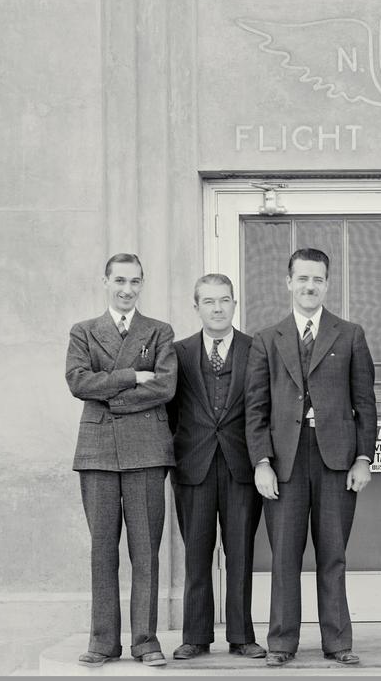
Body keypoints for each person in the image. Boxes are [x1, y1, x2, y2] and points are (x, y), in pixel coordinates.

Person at [244, 248, 378, 667]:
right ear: (288, 282)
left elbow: (365, 403)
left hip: (335, 459)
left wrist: (362, 458)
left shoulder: (349, 333)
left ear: (327, 283)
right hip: (283, 462)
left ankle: (338, 642)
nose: (309, 286)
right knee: (284, 554)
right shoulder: (268, 338)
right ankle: (282, 643)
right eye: (302, 278)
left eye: (317, 279)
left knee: (333, 553)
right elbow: (256, 408)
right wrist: (261, 462)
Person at [65, 253, 177, 667]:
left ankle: (146, 640)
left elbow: (164, 387)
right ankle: (103, 641)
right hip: (96, 452)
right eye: (119, 281)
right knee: (102, 550)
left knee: (146, 550)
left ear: (142, 284)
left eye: (135, 282)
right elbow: (78, 381)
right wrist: (132, 376)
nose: (127, 289)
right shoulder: (84, 332)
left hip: (147, 450)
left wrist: (107, 393)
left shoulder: (159, 332)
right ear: (105, 282)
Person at [166, 274, 266, 661]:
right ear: (197, 307)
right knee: (196, 554)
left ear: (234, 304)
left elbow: (263, 407)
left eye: (224, 300)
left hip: (242, 467)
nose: (218, 308)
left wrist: (263, 461)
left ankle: (242, 636)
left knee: (240, 553)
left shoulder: (255, 349)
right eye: (209, 301)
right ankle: (195, 636)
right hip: (194, 467)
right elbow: (170, 411)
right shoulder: (179, 352)